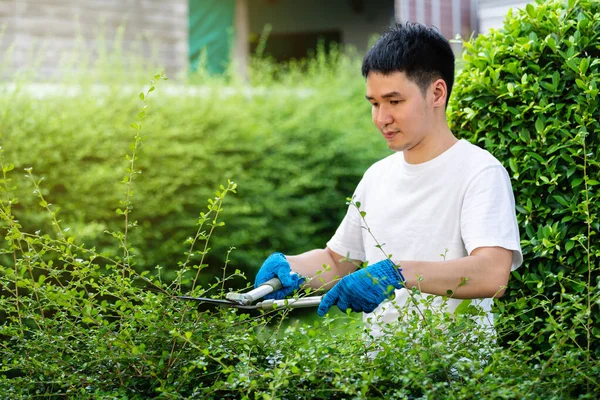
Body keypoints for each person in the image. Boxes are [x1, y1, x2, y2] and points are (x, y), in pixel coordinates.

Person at [253, 22, 522, 333]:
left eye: (395, 102)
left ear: (436, 93)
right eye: (374, 104)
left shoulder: (479, 172)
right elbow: (338, 261)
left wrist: (397, 273)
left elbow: (492, 274)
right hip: (378, 372)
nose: (382, 118)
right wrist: (289, 267)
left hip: (454, 375)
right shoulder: (377, 176)